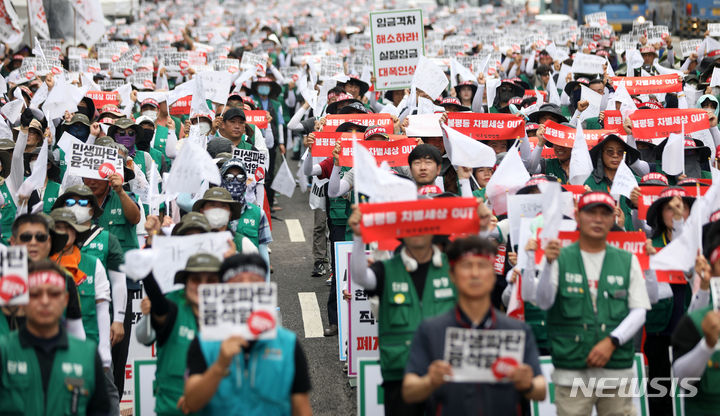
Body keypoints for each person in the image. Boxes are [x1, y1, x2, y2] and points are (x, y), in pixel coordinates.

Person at [525, 191, 651, 416]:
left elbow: (639, 311)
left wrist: (612, 342)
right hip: (572, 371)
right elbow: (544, 302)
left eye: (605, 213)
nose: (598, 219)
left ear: (613, 219)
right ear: (577, 216)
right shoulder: (558, 257)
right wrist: (549, 266)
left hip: (615, 369)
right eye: (591, 213)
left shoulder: (627, 260)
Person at [403, 236, 546, 415]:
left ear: (493, 275)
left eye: (483, 266)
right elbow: (408, 390)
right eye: (467, 266)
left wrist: (528, 384)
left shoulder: (517, 330)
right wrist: (429, 381)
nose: (475, 273)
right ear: (452, 275)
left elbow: (541, 390)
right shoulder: (431, 330)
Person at [347, 203, 460, 415]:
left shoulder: (452, 268)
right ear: (400, 232)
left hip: (446, 373)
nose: (417, 231)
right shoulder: (386, 269)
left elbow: (481, 268)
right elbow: (360, 276)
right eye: (411, 226)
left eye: (422, 225)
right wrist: (359, 237)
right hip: (399, 375)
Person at [183, 253, 312, 415]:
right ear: (222, 291)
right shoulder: (204, 342)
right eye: (237, 283)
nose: (246, 287)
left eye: (254, 281)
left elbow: (302, 409)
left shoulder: (287, 343)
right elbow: (192, 403)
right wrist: (219, 366)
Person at [0, 260, 109, 414]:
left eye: (54, 293)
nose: (45, 301)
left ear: (65, 300)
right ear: (23, 301)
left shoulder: (88, 355)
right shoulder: (4, 351)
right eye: (35, 294)